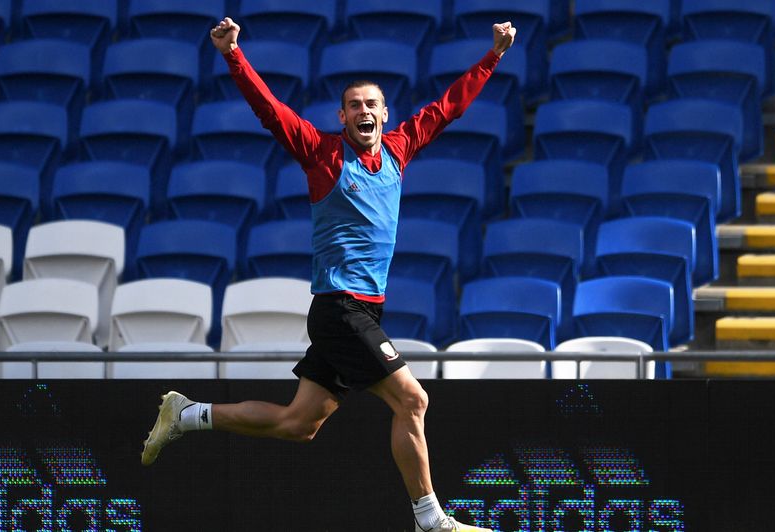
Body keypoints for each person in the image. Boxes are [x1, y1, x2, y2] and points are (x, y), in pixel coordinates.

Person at [142, 17, 516, 532]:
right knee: (413, 399)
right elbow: (270, 112)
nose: (364, 111)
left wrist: (493, 55)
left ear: (385, 114)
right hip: (340, 308)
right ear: (341, 115)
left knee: (298, 424)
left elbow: (447, 107)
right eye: (354, 105)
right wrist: (233, 54)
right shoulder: (323, 153)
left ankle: (185, 414)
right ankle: (431, 521)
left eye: (372, 104)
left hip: (361, 310)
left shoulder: (398, 149)